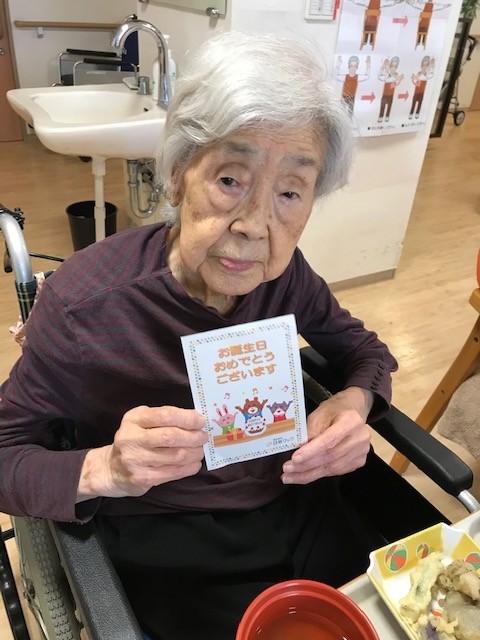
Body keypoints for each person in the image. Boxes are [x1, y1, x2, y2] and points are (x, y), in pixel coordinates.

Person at [0, 32, 397, 640]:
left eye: (290, 193)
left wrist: (354, 402)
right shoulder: (85, 305)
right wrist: (106, 469)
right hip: (172, 538)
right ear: (178, 174)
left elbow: (366, 352)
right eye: (231, 180)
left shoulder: (287, 278)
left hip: (297, 501)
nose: (254, 227)